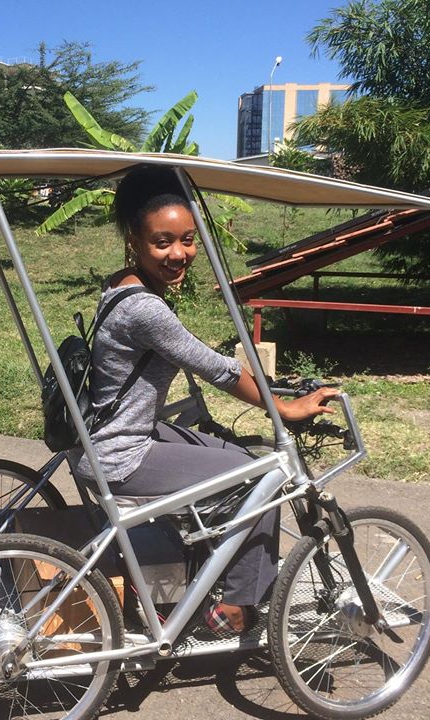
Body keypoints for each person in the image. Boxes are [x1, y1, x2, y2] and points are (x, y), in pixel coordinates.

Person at [72, 165, 338, 634]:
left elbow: (206, 359)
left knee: (236, 455)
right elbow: (215, 368)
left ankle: (206, 564)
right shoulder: (143, 308)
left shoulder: (121, 284)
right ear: (135, 240)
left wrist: (268, 385)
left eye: (188, 240)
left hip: (112, 436)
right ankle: (236, 608)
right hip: (121, 453)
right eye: (163, 242)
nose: (180, 254)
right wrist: (286, 407)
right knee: (265, 478)